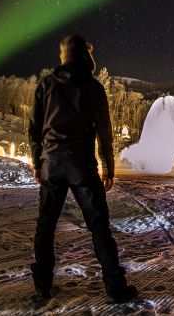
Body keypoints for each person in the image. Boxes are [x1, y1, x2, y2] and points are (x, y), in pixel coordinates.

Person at [28, 34, 137, 303]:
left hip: (52, 164)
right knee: (99, 227)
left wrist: (37, 162)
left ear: (64, 55)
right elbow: (104, 131)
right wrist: (108, 167)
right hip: (82, 166)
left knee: (46, 226)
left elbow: (33, 129)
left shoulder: (45, 85)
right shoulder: (93, 88)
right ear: (85, 56)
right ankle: (115, 287)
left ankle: (42, 287)